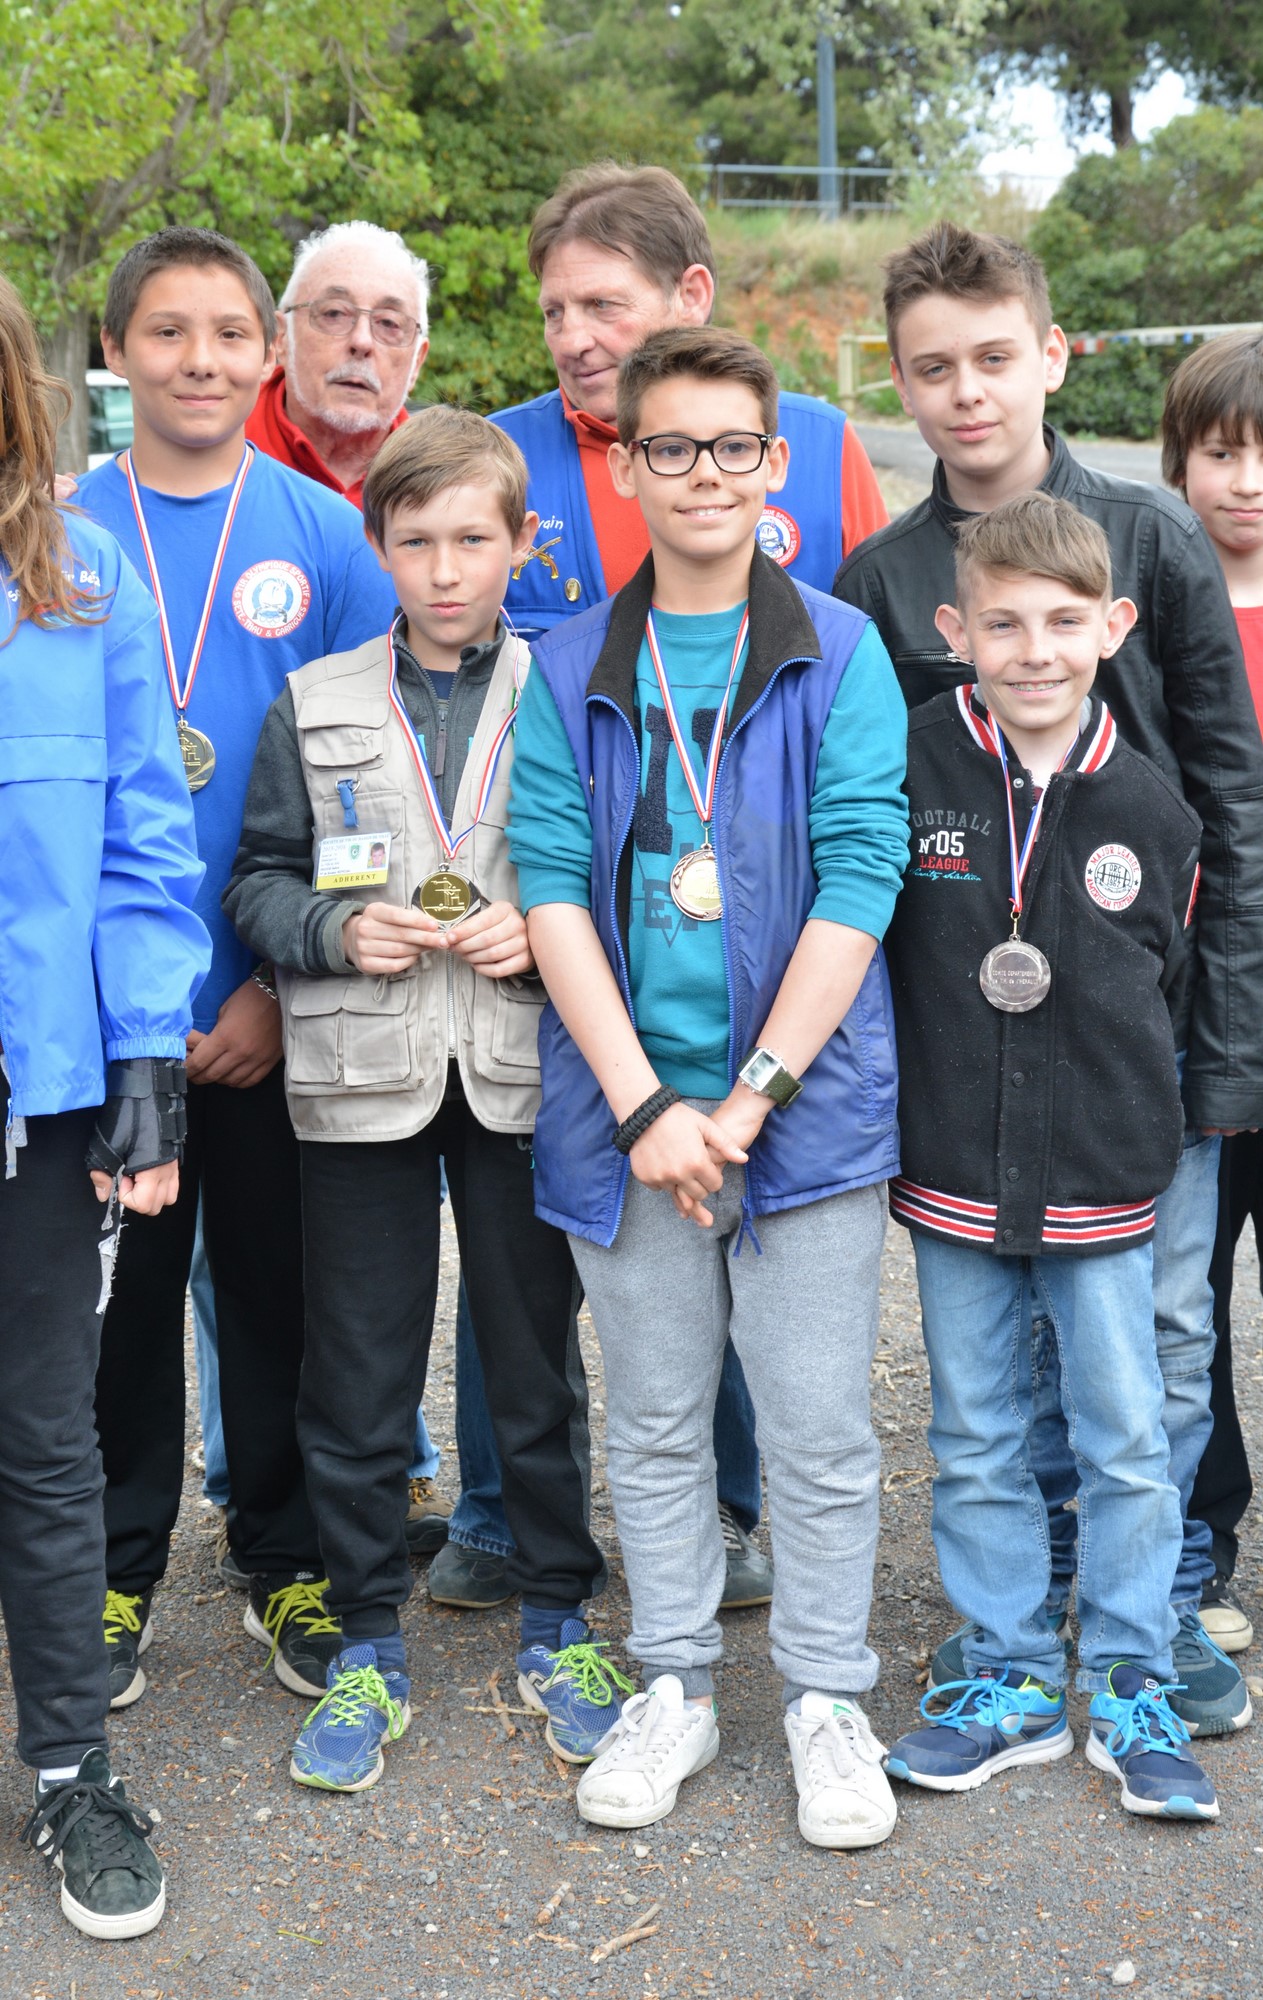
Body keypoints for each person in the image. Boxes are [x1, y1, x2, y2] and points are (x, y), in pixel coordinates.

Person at [833, 221, 1263, 1739]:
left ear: (1052, 355)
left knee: (1160, 1336)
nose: (966, 392)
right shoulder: (881, 579)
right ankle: (1024, 1609)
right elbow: (862, 838)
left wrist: (1226, 1049)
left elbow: (1230, 804)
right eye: (931, 367)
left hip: (1146, 1039)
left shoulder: (1149, 541)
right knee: (994, 1351)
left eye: (993, 358)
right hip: (976, 1052)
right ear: (896, 382)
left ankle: (1162, 1600)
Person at [509, 325, 909, 1846]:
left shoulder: (839, 651)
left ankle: (825, 1698)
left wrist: (747, 1099)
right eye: (668, 447)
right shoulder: (563, 665)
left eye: (731, 447)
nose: (701, 475)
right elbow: (552, 889)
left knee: (816, 1428)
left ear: (774, 463)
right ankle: (673, 1680)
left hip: (797, 1115)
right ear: (626, 465)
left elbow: (860, 874)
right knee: (659, 1418)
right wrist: (645, 1109)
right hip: (629, 1121)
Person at [224, 406, 614, 1791]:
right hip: (360, 1077)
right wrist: (334, 931)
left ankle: (559, 1614)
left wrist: (545, 931)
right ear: (376, 546)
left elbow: (616, 868)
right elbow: (258, 880)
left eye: (471, 540)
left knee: (534, 1359)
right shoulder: (318, 696)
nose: (445, 570)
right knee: (357, 1367)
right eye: (414, 542)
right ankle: (365, 1638)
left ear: (522, 542)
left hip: (520, 1074)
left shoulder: (571, 684)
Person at [75, 226, 396, 1711]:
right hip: (106, 1014)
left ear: (267, 353)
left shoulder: (325, 535)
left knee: (283, 1297)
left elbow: (373, 783)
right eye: (165, 332)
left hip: (281, 1003)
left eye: (225, 335)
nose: (197, 361)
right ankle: (111, 1567)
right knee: (120, 1305)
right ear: (115, 352)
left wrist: (277, 982)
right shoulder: (56, 529)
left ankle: (287, 1558)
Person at [880, 492, 1219, 1820]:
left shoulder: (1152, 807)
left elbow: (1168, 987)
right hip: (954, 1163)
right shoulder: (910, 764)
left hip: (1102, 1174)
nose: (1034, 651)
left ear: (1112, 626)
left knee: (1124, 1435)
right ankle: (1010, 1675)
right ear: (953, 627)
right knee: (973, 1432)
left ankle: (1132, 1677)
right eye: (1004, 623)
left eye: (1064, 623)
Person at [0, 269, 210, 1935]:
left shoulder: (77, 587)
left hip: (40, 1098)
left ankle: (72, 1767)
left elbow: (145, 833)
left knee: (44, 1441)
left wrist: (148, 1050)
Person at [1161, 329, 1263, 1654]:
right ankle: (1201, 1539)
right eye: (1221, 452)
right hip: (1193, 1010)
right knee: (1185, 1296)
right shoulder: (1158, 604)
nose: (1246, 482)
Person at [246, 220, 428, 507]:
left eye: (389, 323)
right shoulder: (215, 445)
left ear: (417, 362)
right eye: (334, 314)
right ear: (281, 338)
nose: (362, 342)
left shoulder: (444, 482)